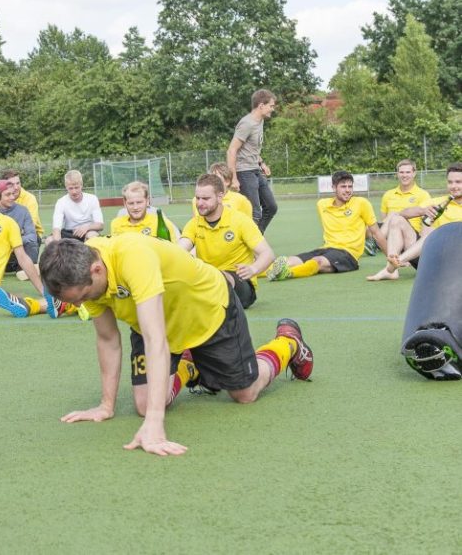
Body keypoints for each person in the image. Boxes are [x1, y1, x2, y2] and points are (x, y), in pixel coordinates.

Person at [40, 235, 312, 456]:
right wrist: (105, 405)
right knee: (144, 404)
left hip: (206, 312)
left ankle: (288, 343)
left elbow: (156, 340)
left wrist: (154, 425)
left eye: (83, 296)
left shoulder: (133, 257)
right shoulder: (84, 271)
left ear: (97, 270)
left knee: (245, 394)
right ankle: (190, 366)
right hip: (152, 321)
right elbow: (108, 339)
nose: (80, 304)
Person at [267, 171, 386, 282]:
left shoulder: (361, 203)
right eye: (343, 186)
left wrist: (390, 257)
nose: (348, 190)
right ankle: (260, 273)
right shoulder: (322, 205)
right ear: (333, 187)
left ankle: (288, 273)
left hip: (348, 254)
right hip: (326, 249)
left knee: (317, 262)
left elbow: (376, 233)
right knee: (290, 260)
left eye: (350, 186)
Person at [178, 174, 274, 309]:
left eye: (205, 198)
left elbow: (267, 254)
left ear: (220, 197)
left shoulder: (240, 221)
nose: (199, 203)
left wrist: (253, 269)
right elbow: (180, 249)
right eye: (197, 198)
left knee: (216, 276)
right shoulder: (194, 224)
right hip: (207, 279)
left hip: (240, 283)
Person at [368, 163, 462, 281]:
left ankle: (396, 262)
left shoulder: (423, 194)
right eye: (450, 182)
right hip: (431, 259)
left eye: (458, 182)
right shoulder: (439, 202)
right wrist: (423, 210)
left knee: (432, 233)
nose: (453, 186)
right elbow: (402, 213)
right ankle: (392, 269)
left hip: (455, 261)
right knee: (396, 219)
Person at [227, 89, 278, 233]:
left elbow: (251, 148)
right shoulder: (247, 123)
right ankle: (250, 243)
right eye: (271, 106)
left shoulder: (260, 121)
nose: (272, 109)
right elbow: (231, 150)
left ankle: (256, 239)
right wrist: (233, 179)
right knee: (254, 213)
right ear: (261, 105)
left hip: (255, 169)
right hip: (244, 172)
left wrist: (262, 163)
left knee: (271, 207)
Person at [0, 179, 39, 277]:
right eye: (8, 195)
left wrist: (13, 241)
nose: (12, 197)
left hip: (17, 253)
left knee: (32, 244)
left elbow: (32, 236)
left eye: (13, 194)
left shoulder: (23, 211)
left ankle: (24, 270)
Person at [109, 181, 179, 239]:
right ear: (125, 203)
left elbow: (174, 247)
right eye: (131, 203)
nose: (135, 207)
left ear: (147, 201)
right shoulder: (116, 224)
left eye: (139, 202)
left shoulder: (160, 223)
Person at [50, 170, 103, 242]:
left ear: (81, 185)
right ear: (66, 187)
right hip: (69, 233)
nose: (74, 192)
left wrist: (86, 227)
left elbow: (100, 225)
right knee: (50, 240)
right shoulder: (61, 202)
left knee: (92, 236)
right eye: (70, 188)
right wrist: (57, 244)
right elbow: (56, 228)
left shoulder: (92, 199)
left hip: (88, 231)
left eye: (76, 187)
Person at [2, 169, 45, 242]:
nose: (16, 187)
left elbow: (30, 226)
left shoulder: (30, 198)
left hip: (30, 233)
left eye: (18, 183)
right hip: (7, 234)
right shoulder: (0, 198)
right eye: (12, 185)